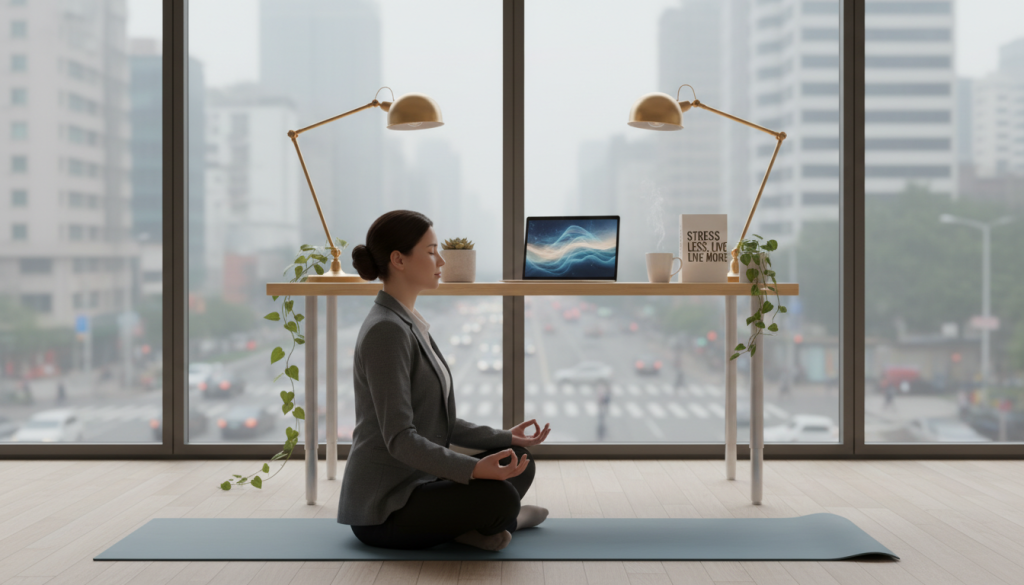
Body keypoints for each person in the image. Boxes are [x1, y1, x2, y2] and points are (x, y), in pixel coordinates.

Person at [338, 210, 552, 552]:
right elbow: (400, 439)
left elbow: (441, 422)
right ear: (398, 260)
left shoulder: (408, 321)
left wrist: (505, 436)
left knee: (516, 458)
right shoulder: (386, 331)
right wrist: (472, 469)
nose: (441, 260)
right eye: (431, 251)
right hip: (385, 508)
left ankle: (468, 529)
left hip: (422, 480)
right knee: (500, 496)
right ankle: (507, 520)